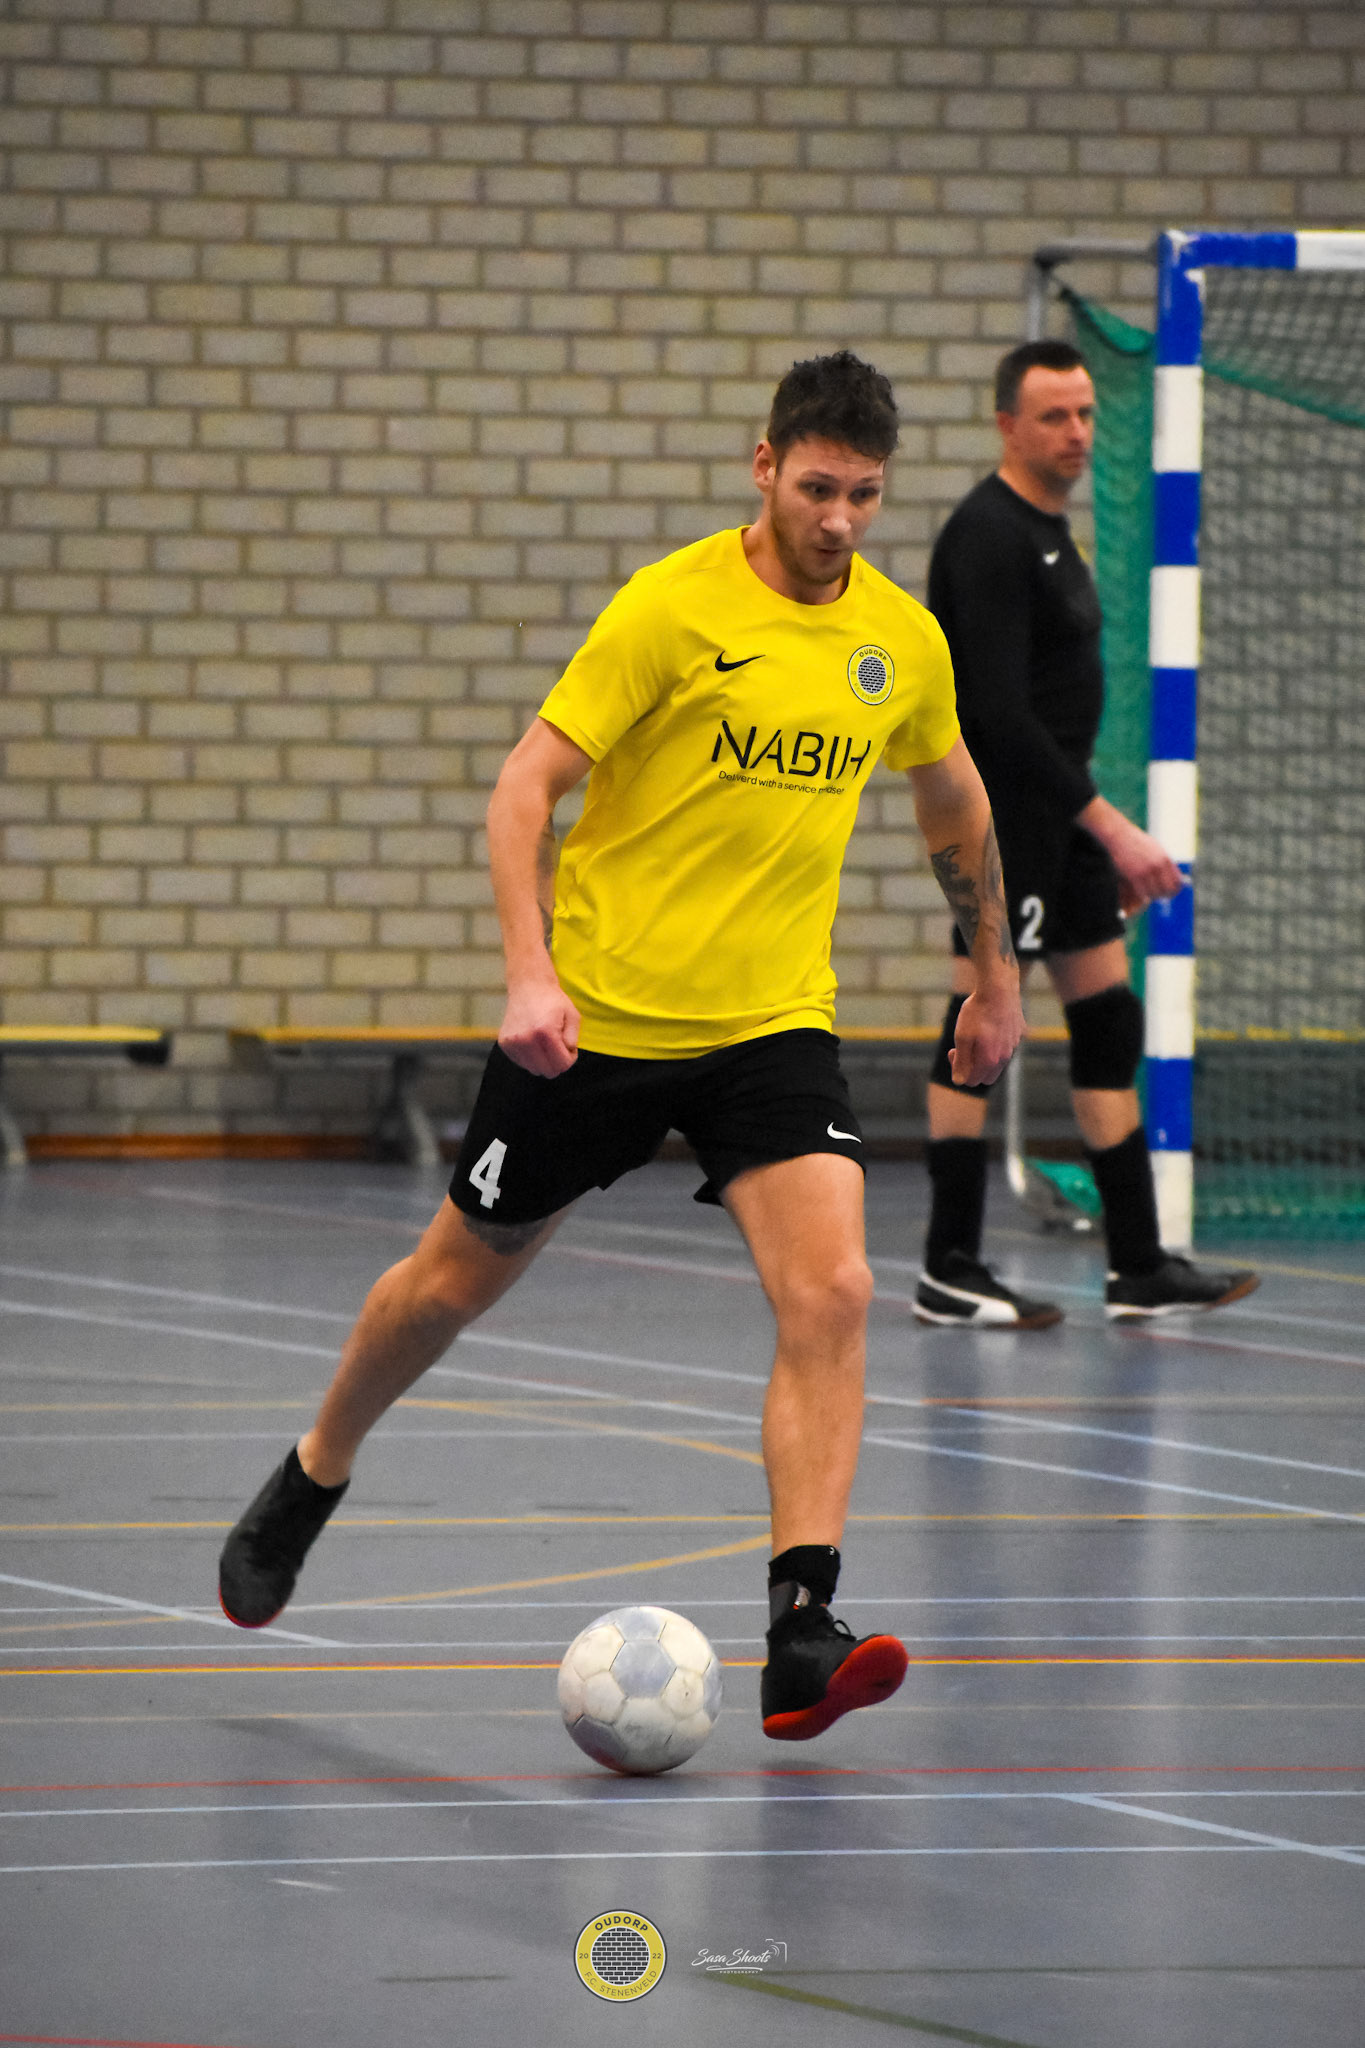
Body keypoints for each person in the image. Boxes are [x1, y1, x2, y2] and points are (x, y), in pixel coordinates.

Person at [218, 349, 1025, 1741]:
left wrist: (994, 978)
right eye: (817, 488)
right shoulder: (670, 608)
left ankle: (801, 1627)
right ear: (763, 466)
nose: (838, 519)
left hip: (772, 1023)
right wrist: (528, 975)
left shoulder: (900, 640)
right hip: (598, 1022)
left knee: (834, 1288)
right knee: (446, 1287)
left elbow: (952, 797)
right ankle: (315, 1467)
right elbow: (523, 788)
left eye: (864, 495)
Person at [914, 338, 1257, 1329]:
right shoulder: (986, 536)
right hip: (1005, 821)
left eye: (1085, 413)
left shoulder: (1051, 533)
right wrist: (1113, 827)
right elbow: (996, 715)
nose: (1076, 433)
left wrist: (1090, 831)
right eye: (1054, 416)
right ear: (1006, 425)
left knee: (1107, 1020)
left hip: (1059, 820)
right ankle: (949, 1264)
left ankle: (1136, 1264)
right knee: (976, 1026)